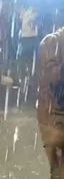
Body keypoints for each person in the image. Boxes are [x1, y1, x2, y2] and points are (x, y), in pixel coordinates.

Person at [38, 27, 64, 179]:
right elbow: (52, 78)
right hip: (54, 119)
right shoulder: (51, 42)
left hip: (51, 119)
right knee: (56, 169)